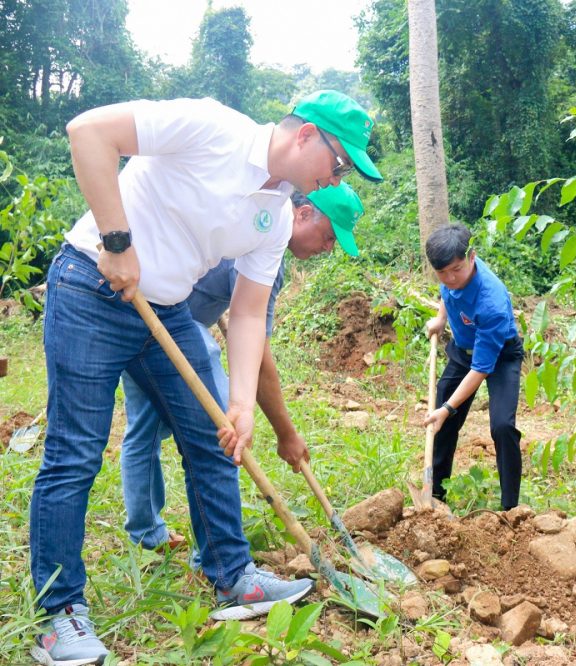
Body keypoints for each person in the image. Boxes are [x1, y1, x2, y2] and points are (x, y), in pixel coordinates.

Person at [30, 90, 382, 666]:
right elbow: (88, 131)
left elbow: (246, 312)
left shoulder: (274, 214)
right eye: (338, 163)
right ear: (305, 136)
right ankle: (59, 615)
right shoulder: (212, 127)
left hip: (165, 311)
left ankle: (231, 575)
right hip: (92, 289)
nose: (334, 177)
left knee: (217, 435)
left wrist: (242, 402)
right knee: (75, 452)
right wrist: (117, 242)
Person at [120, 185, 364, 564]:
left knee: (145, 428)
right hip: (161, 317)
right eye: (330, 236)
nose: (328, 248)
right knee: (221, 430)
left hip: (144, 310)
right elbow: (258, 356)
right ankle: (221, 559)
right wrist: (286, 434)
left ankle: (146, 532)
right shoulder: (265, 239)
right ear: (302, 215)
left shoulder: (257, 217)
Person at [422, 223, 525, 511]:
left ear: (472, 257)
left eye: (456, 270)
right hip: (463, 350)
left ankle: (511, 510)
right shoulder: (450, 269)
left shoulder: (491, 301)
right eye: (442, 272)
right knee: (439, 421)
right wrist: (441, 319)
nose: (450, 278)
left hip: (501, 354)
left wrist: (448, 408)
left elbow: (480, 370)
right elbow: (447, 291)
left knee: (502, 426)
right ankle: (435, 500)